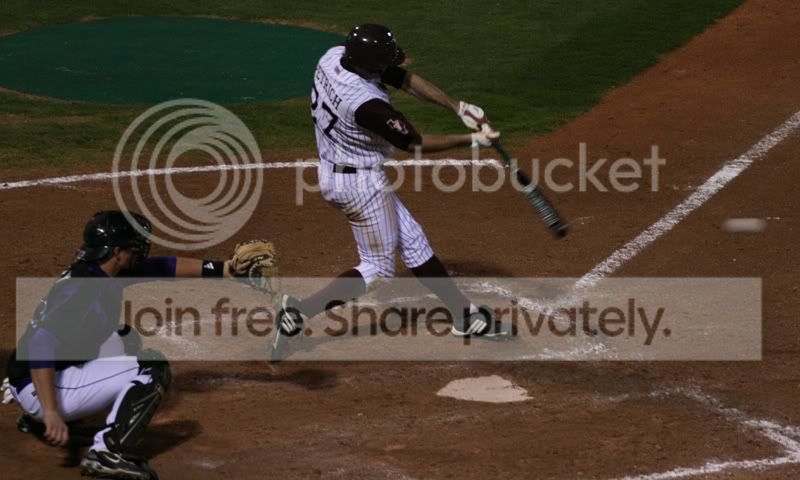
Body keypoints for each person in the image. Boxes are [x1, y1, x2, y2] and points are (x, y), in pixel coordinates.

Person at [272, 24, 513, 361]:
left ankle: (465, 316)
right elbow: (414, 143)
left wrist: (458, 107)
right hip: (359, 186)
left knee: (413, 240)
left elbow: (402, 78)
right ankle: (298, 312)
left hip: (338, 169)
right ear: (369, 65)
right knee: (377, 269)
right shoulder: (365, 104)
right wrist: (473, 140)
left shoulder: (333, 57)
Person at [4, 210, 264, 480]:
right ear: (117, 251)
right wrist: (50, 411)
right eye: (134, 246)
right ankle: (108, 451)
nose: (140, 251)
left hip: (30, 375)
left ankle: (40, 417)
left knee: (126, 339)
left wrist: (224, 269)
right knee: (151, 367)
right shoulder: (84, 289)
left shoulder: (102, 269)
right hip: (39, 387)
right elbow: (41, 344)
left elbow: (164, 267)